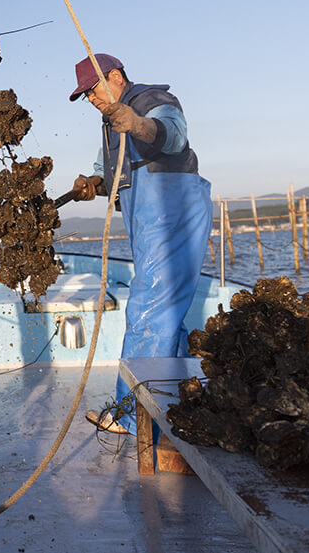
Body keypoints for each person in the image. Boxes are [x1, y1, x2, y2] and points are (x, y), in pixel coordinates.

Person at [67, 53, 212, 435]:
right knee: (165, 306)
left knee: (150, 303)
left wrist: (138, 124)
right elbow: (109, 170)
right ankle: (175, 399)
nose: (92, 99)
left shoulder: (147, 101)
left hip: (171, 203)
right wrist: (93, 184)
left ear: (115, 76)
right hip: (145, 210)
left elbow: (171, 133)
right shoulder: (112, 119)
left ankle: (133, 416)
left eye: (93, 89)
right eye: (85, 96)